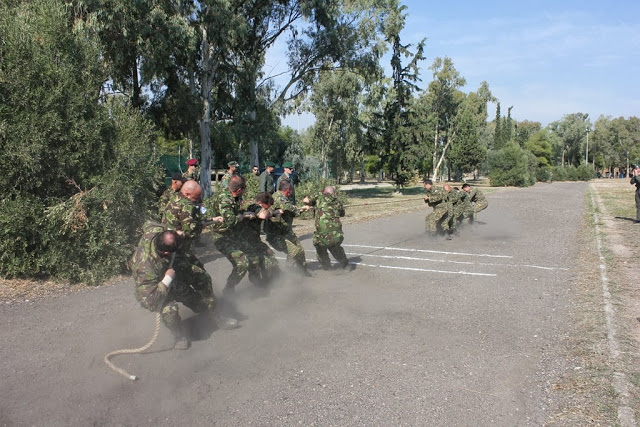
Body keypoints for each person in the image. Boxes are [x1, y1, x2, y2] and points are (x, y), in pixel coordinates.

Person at [131, 220, 237, 350]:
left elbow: (147, 223)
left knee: (200, 278)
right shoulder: (144, 266)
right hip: (156, 288)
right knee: (170, 312)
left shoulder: (155, 231)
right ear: (166, 253)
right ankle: (178, 335)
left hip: (170, 273)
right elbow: (149, 300)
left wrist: (175, 232)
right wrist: (167, 279)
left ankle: (214, 313)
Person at [208, 175, 261, 295]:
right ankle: (229, 289)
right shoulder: (224, 199)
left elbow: (238, 210)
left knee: (254, 254)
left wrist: (246, 211)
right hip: (222, 237)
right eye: (244, 189)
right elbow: (230, 220)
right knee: (242, 263)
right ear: (239, 189)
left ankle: (257, 282)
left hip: (234, 235)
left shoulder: (235, 196)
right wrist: (245, 215)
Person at [267, 180, 312, 276]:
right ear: (288, 190)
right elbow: (289, 208)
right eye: (291, 191)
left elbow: (289, 209)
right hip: (276, 234)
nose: (291, 193)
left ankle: (303, 271)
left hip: (286, 231)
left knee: (300, 250)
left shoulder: (281, 197)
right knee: (294, 251)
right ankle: (288, 274)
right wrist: (302, 209)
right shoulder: (279, 197)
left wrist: (300, 209)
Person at [303, 186, 351, 270]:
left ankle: (327, 267)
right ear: (333, 193)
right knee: (335, 247)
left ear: (324, 192)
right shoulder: (337, 201)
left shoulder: (318, 196)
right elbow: (342, 213)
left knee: (320, 246)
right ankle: (345, 264)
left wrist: (310, 204)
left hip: (322, 236)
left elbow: (305, 200)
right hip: (337, 235)